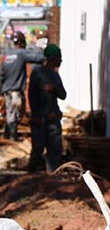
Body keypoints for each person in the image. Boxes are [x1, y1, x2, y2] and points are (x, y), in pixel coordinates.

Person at [27, 43, 66, 171]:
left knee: (55, 150)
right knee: (38, 149)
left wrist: (54, 88)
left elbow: (63, 95)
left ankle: (52, 177)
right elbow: (32, 96)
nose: (61, 60)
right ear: (52, 58)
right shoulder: (38, 73)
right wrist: (36, 115)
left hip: (53, 119)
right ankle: (30, 176)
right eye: (59, 57)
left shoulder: (55, 76)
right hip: (40, 120)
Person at [1, 30, 45, 141]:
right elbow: (39, 59)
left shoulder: (6, 56)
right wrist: (38, 48)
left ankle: (7, 136)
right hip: (15, 91)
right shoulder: (21, 53)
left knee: (10, 112)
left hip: (7, 90)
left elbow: (2, 74)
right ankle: (12, 137)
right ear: (21, 43)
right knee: (14, 115)